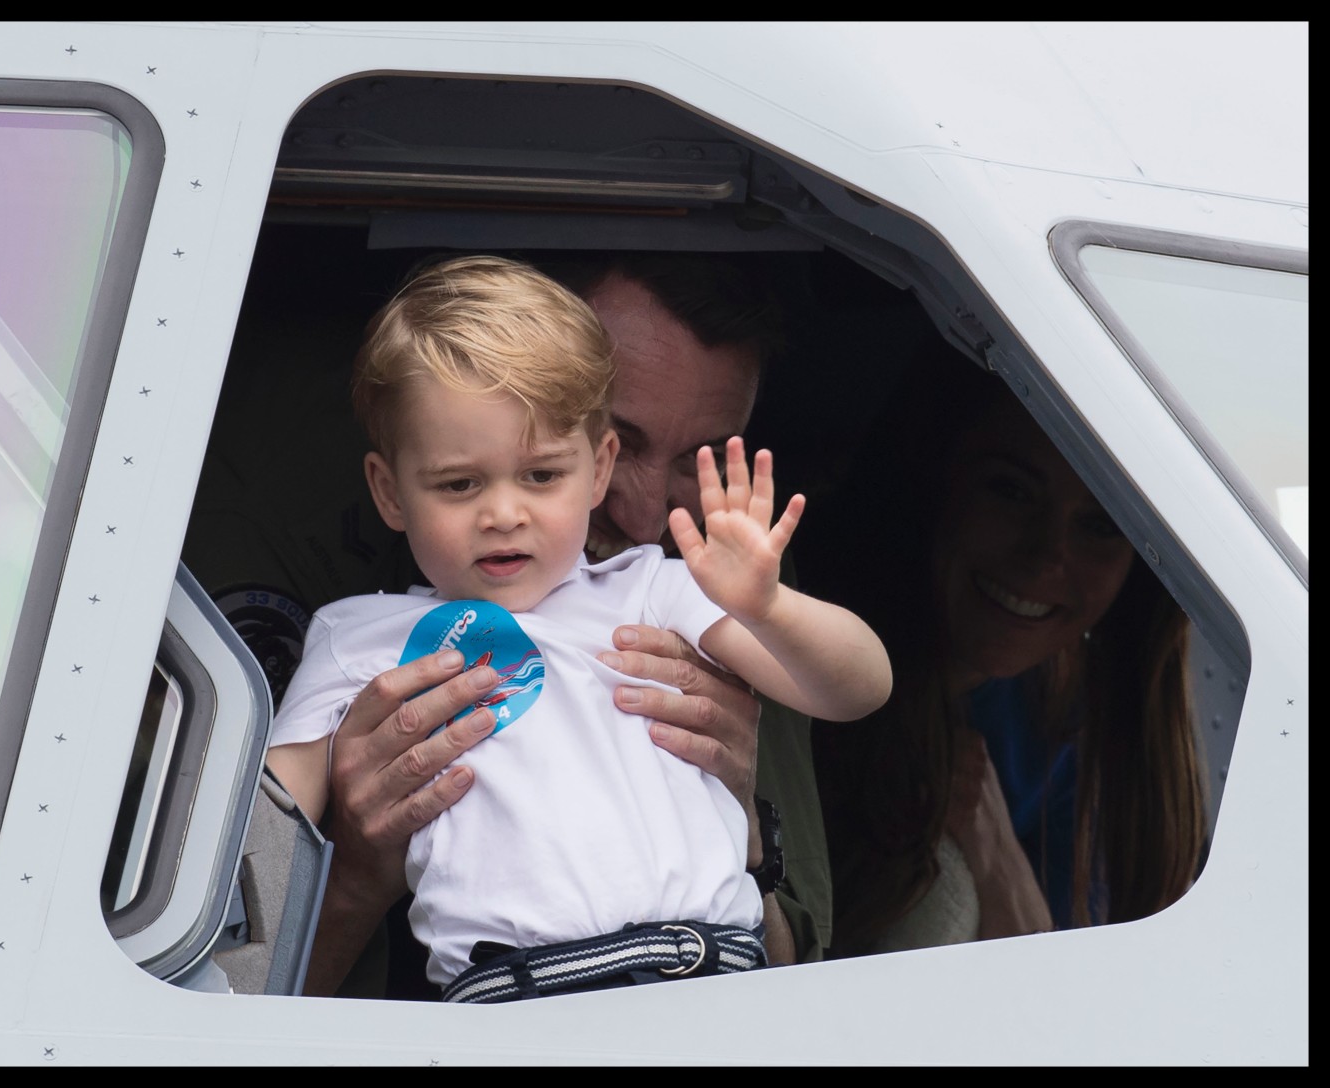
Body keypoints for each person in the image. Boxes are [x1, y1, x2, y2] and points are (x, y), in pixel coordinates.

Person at [267, 256, 891, 1001]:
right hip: (508, 1004)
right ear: (388, 490)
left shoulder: (661, 587)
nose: (504, 513)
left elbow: (858, 689)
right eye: (459, 482)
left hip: (708, 977)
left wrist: (768, 605)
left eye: (541, 474)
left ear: (591, 466)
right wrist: (345, 853)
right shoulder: (357, 637)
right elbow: (256, 858)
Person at [807, 355, 1206, 955]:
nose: (1047, 555)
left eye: (1100, 525)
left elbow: (1068, 995)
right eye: (1012, 492)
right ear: (936, 480)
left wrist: (988, 841)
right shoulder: (790, 647)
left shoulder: (1072, 726)